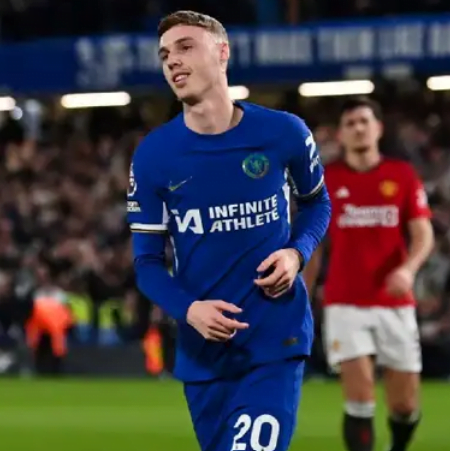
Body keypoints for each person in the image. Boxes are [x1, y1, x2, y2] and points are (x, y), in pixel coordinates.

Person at [127, 10, 331, 451]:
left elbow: (318, 203)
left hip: (275, 339)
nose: (172, 61)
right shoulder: (154, 156)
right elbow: (146, 264)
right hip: (204, 354)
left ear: (223, 53)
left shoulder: (283, 133)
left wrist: (296, 252)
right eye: (165, 54)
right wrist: (190, 310)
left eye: (185, 47)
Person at [304, 98, 434, 451]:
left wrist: (408, 270)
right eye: (350, 123)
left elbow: (423, 234)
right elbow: (314, 244)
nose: (358, 128)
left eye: (364, 121)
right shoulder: (326, 180)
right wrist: (302, 294)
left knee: (405, 405)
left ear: (378, 128)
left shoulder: (402, 175)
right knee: (359, 398)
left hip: (394, 301)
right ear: (341, 134)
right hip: (344, 301)